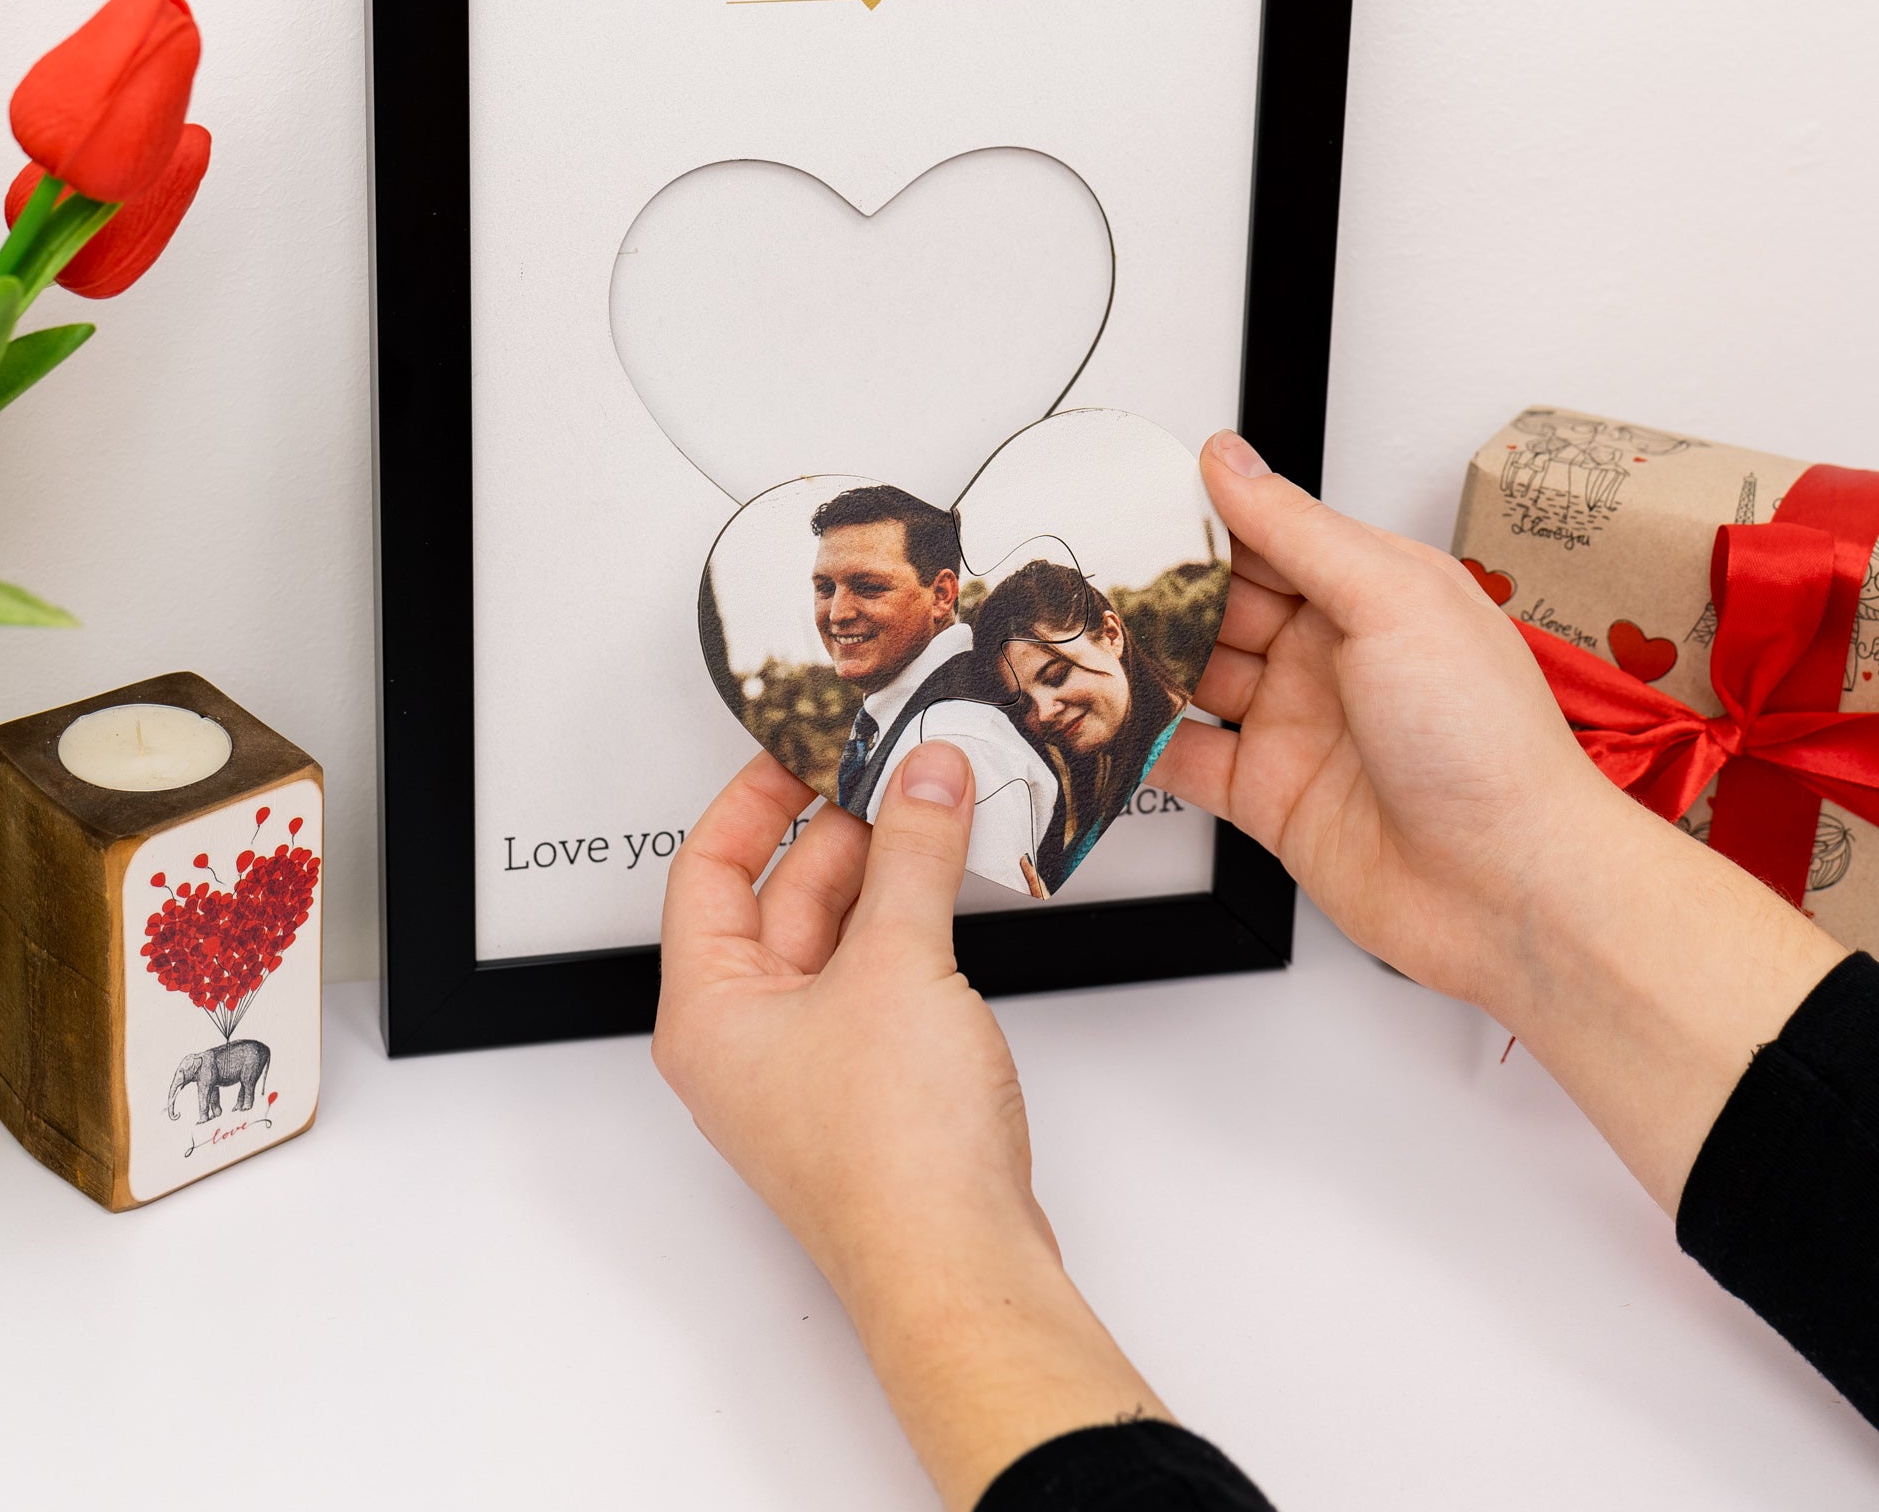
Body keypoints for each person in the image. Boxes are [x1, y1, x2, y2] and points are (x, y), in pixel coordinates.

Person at [657, 431, 1879, 1509]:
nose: (829, 610)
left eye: (857, 582)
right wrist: (1529, 881)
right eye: (816, 587)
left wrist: (916, 1239)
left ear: (942, 590)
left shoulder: (966, 729)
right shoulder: (926, 710)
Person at [809, 483, 1057, 890]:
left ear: (941, 595)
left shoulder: (956, 740)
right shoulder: (921, 719)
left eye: (869, 586)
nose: (837, 613)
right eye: (825, 588)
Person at [970, 560, 1188, 894]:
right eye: (1024, 704)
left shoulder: (1180, 768)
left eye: (1056, 676)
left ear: (1111, 635)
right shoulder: (1118, 778)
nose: (1043, 714)